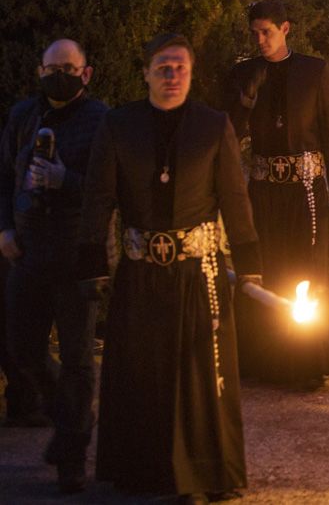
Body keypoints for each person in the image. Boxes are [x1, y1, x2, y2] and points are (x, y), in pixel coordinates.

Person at [78, 33, 262, 500]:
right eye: (162, 67)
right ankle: (143, 470)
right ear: (145, 73)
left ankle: (207, 472)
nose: (172, 75)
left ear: (192, 72)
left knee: (199, 374)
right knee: (143, 371)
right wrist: (92, 259)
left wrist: (250, 260)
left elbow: (234, 198)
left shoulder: (212, 124)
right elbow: (98, 197)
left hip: (198, 275)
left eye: (180, 67)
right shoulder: (118, 126)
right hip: (141, 275)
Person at [225, 0, 329, 388]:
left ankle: (305, 361)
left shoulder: (314, 71)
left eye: (267, 32)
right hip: (263, 190)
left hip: (305, 191)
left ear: (286, 28)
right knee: (264, 266)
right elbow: (228, 134)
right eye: (255, 33)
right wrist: (244, 104)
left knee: (305, 269)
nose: (261, 40)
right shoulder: (243, 74)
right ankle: (262, 359)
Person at [0, 39, 107, 492]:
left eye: (69, 66)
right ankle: (69, 415)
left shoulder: (101, 120)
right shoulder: (24, 115)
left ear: (85, 73)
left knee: (79, 356)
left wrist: (67, 180)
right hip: (27, 250)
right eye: (52, 67)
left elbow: (107, 189)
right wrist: (4, 228)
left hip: (75, 251)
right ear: (39, 71)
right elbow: (4, 175)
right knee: (21, 347)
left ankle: (71, 455)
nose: (59, 74)